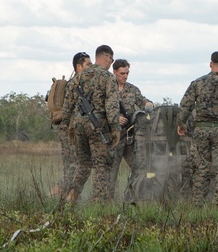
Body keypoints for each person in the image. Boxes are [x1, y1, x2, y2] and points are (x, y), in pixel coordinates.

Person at [176, 51, 218, 204]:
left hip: (201, 130)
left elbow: (185, 106)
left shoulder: (197, 83)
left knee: (200, 168)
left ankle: (198, 203)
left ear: (211, 64)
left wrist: (181, 125)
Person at [66, 45, 121, 202]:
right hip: (97, 126)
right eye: (111, 60)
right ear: (106, 58)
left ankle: (71, 195)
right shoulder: (108, 77)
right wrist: (116, 128)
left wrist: (69, 125)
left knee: (83, 164)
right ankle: (99, 204)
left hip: (79, 124)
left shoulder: (81, 76)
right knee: (101, 166)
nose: (111, 63)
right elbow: (111, 106)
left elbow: (70, 102)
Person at [109, 59, 154, 201]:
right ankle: (107, 204)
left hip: (129, 138)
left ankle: (134, 198)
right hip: (113, 138)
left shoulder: (132, 89)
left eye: (127, 73)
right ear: (114, 72)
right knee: (110, 173)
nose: (125, 76)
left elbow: (142, 101)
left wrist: (148, 104)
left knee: (139, 168)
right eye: (122, 73)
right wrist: (115, 118)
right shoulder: (107, 89)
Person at [53, 51, 91, 198]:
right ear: (79, 67)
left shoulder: (81, 83)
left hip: (72, 131)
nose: (91, 67)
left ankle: (67, 196)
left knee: (74, 166)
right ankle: (56, 194)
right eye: (88, 64)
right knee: (73, 166)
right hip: (69, 131)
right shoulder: (75, 84)